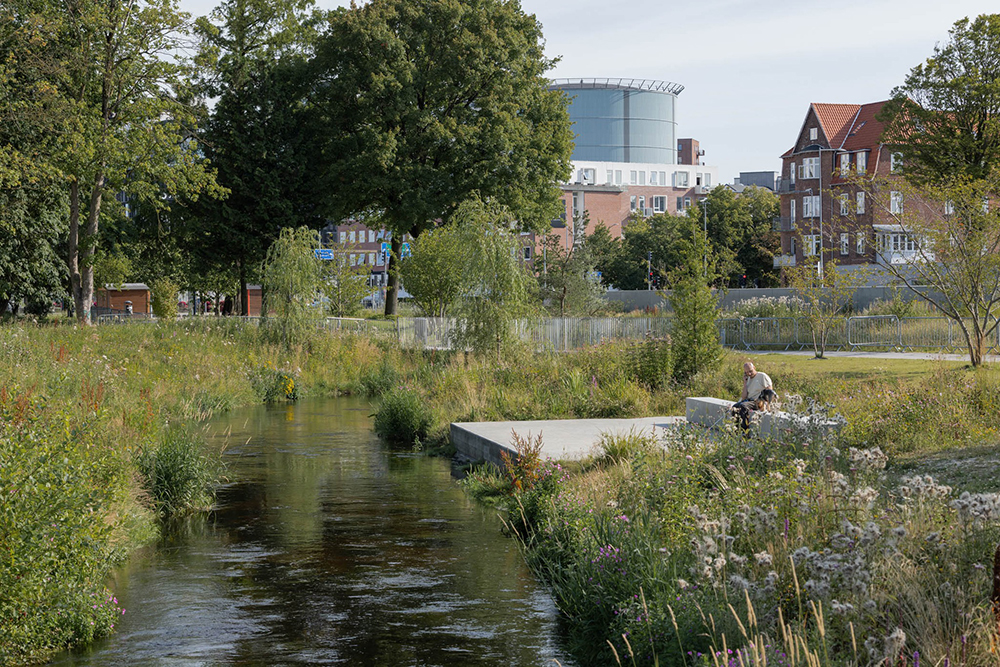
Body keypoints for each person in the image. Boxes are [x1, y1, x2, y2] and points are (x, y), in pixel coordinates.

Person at [731, 362, 776, 430]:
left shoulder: (762, 376)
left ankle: (744, 430)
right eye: (746, 372)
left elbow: (770, 391)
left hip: (758, 401)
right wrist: (745, 383)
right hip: (749, 400)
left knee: (743, 406)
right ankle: (736, 429)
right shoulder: (748, 378)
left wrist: (767, 405)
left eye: (750, 371)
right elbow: (743, 397)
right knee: (735, 407)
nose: (749, 374)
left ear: (754, 368)